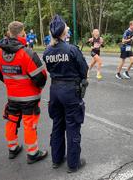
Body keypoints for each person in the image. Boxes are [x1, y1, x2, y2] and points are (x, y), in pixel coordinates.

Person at [0, 21, 48, 164]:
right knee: (29, 124)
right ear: (23, 33)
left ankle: (12, 148)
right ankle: (33, 153)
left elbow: (0, 75)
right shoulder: (27, 53)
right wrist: (38, 88)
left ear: (8, 33)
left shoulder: (0, 52)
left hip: (12, 96)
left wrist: (12, 84)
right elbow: (41, 77)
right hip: (29, 97)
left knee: (11, 121)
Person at [43, 15, 88, 173]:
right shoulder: (72, 49)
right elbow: (84, 70)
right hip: (70, 92)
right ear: (64, 32)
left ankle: (56, 159)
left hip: (54, 91)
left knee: (57, 124)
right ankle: (73, 163)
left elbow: (50, 70)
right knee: (73, 125)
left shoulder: (47, 51)